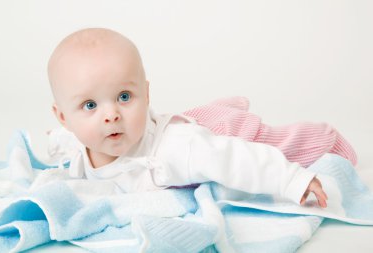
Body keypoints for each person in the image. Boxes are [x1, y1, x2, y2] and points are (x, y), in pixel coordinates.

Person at [47, 27, 328, 208]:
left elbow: (234, 159)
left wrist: (292, 179)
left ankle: (319, 137)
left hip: (214, 135)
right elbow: (62, 143)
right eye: (90, 105)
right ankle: (227, 106)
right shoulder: (77, 144)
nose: (111, 116)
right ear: (64, 118)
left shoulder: (177, 150)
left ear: (146, 94)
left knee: (267, 139)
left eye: (124, 97)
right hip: (191, 125)